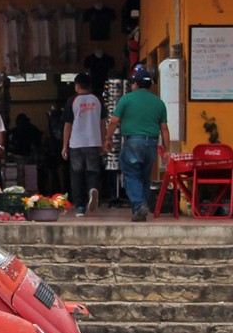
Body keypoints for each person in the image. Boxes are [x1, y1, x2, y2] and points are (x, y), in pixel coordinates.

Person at [105, 65, 170, 222]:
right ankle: (138, 212)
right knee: (145, 177)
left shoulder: (127, 99)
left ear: (135, 84)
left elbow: (113, 122)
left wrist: (107, 139)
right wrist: (167, 149)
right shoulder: (159, 103)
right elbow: (164, 128)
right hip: (152, 143)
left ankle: (140, 204)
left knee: (131, 174)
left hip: (133, 141)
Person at [63, 73, 106, 217]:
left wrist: (64, 146)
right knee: (93, 171)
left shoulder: (72, 101)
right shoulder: (98, 100)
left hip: (76, 144)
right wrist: (104, 141)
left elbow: (68, 125)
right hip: (93, 142)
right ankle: (93, 188)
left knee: (76, 174)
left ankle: (80, 207)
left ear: (78, 86)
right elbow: (102, 124)